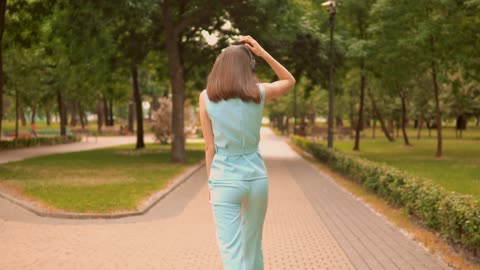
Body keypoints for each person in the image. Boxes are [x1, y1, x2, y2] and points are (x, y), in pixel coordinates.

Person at [199, 35, 296, 270]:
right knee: (253, 247)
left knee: (231, 251)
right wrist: (263, 53)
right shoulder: (259, 93)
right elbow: (289, 80)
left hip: (224, 179)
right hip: (256, 179)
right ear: (247, 69)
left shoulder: (206, 97)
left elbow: (209, 146)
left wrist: (211, 183)